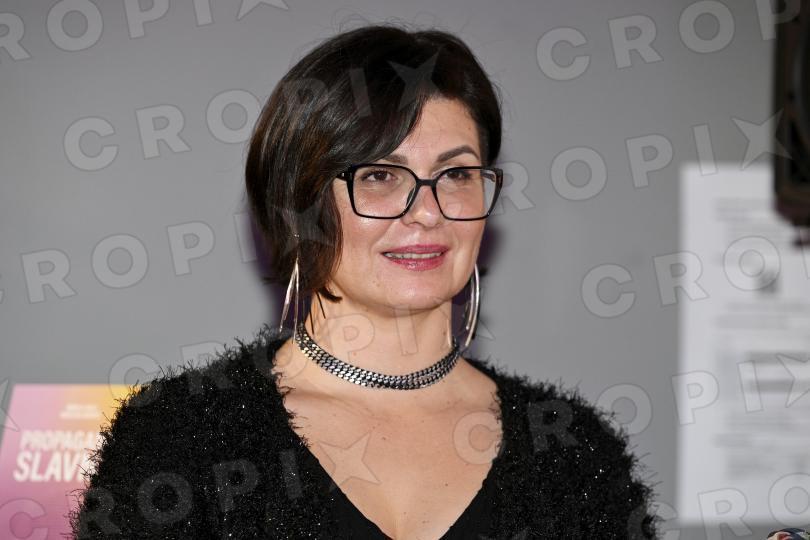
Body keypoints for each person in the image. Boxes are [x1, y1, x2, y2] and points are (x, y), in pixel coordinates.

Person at [69, 24, 659, 539]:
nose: (426, 211)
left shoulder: (569, 447)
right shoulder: (177, 441)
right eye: (379, 175)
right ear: (297, 204)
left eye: (456, 175)